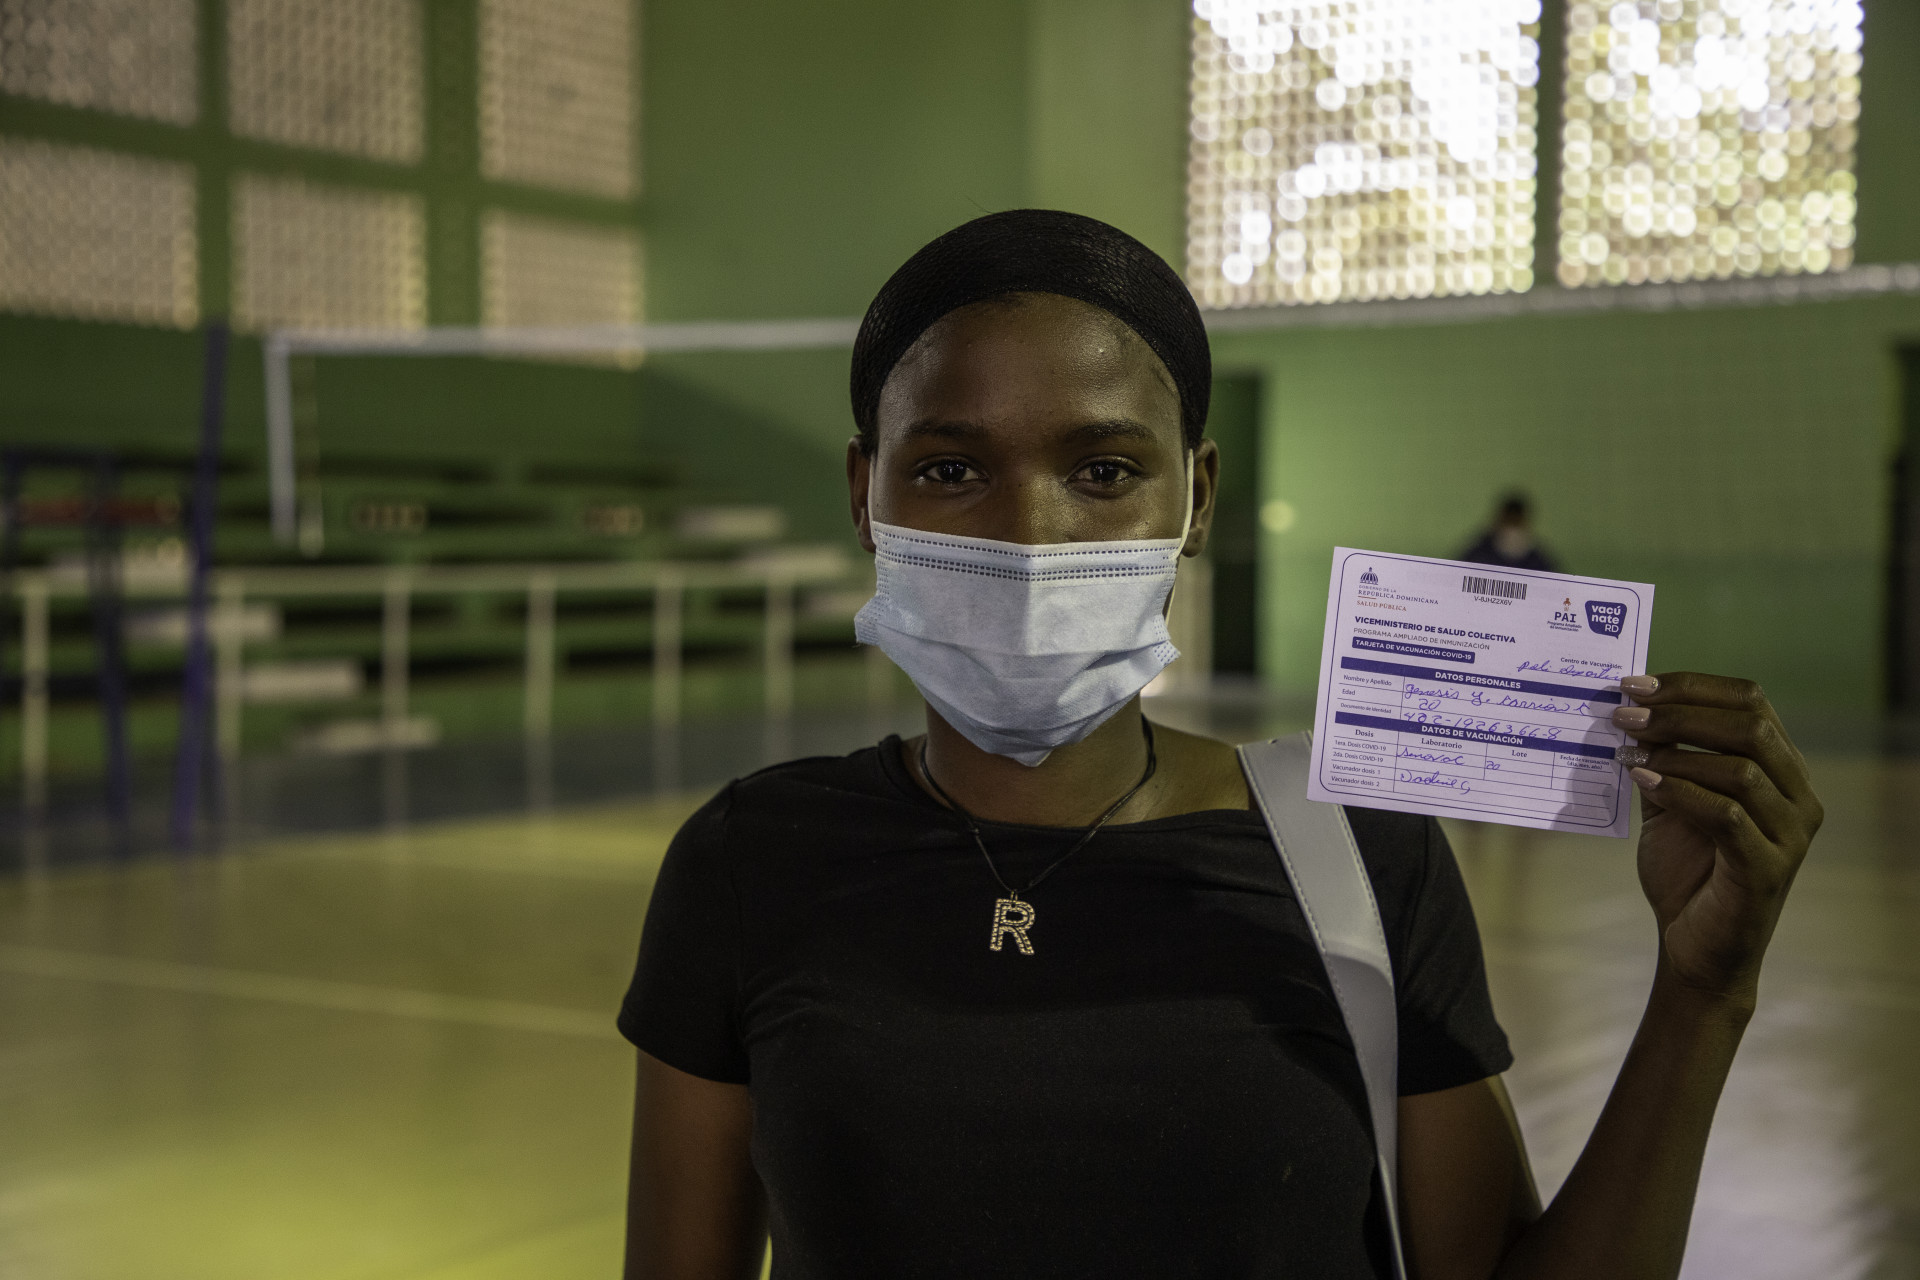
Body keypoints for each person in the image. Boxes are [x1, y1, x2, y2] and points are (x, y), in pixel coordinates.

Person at [618, 211, 1824, 1280]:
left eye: (1103, 470)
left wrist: (1702, 993)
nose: (1030, 534)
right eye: (949, 468)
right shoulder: (748, 860)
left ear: (1195, 497)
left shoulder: (1357, 855)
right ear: (864, 493)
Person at [1459, 493, 1558, 572]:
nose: (1512, 529)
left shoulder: (1538, 561)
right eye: (1508, 521)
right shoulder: (1478, 555)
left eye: (1516, 523)